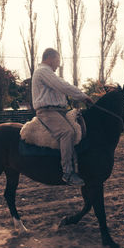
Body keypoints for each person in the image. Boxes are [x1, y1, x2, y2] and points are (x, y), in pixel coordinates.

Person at [32, 48, 93, 186]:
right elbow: (62, 86)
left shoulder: (48, 73)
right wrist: (83, 96)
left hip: (58, 111)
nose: (58, 64)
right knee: (67, 132)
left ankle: (79, 164)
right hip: (48, 112)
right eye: (57, 60)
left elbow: (61, 88)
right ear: (49, 58)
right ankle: (68, 173)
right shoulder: (43, 71)